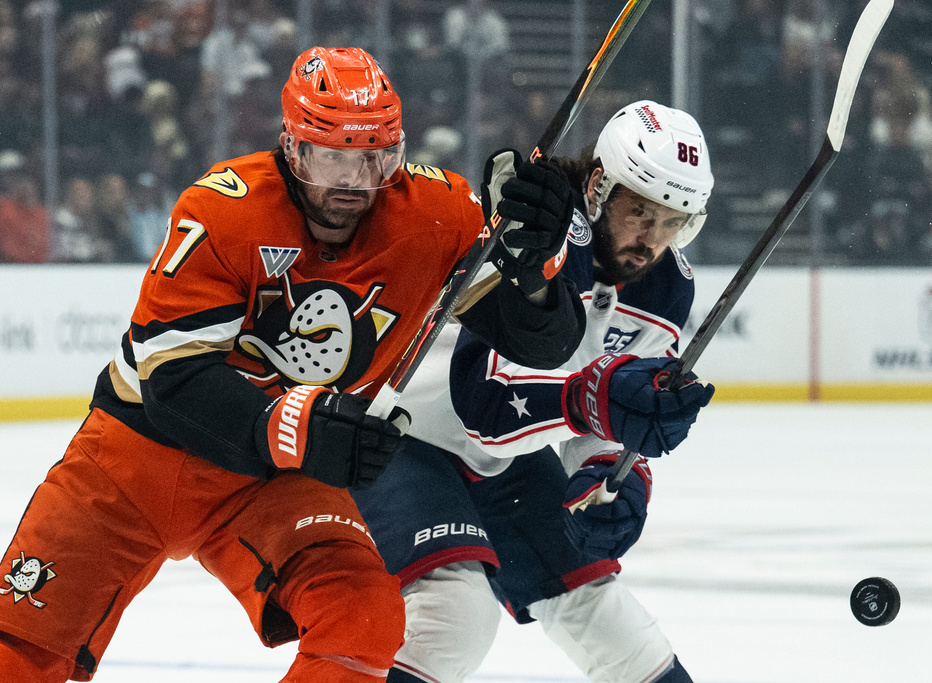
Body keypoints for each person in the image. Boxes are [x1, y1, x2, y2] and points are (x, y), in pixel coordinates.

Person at [0, 46, 585, 682]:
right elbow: (174, 382)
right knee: (21, 652)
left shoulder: (435, 216)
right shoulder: (224, 209)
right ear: (293, 145)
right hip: (139, 457)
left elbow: (543, 343)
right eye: (333, 155)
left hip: (272, 480)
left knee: (363, 618)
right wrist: (296, 423)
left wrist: (533, 267)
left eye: (373, 158)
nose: (355, 181)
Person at [352, 100, 717, 683]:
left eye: (674, 222)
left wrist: (611, 476)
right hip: (397, 434)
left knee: (609, 618)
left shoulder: (668, 288)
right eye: (642, 213)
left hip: (504, 460)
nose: (653, 240)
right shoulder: (538, 226)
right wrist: (600, 403)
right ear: (600, 186)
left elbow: (606, 409)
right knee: (455, 616)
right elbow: (489, 408)